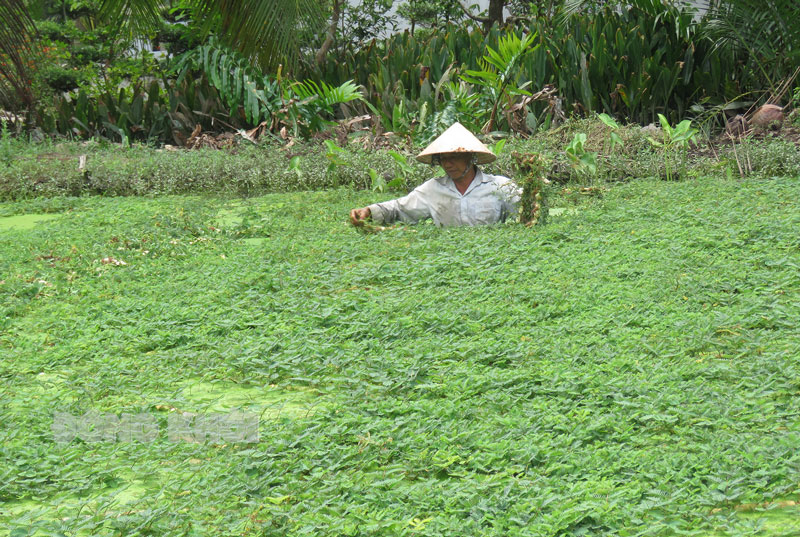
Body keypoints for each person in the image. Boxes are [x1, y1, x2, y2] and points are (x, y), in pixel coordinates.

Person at [349, 122, 519, 228]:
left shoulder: (500, 186)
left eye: (454, 157)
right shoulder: (433, 189)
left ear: (470, 157)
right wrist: (370, 212)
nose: (447, 164)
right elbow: (399, 208)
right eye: (443, 159)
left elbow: (528, 211)